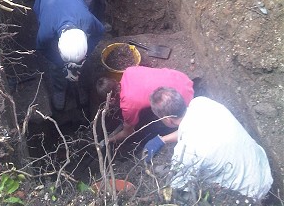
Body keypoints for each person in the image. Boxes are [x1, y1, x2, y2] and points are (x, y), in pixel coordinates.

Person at [144, 88, 273, 200]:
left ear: (167, 120)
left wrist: (165, 190)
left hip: (248, 194)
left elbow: (178, 185)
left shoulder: (187, 151)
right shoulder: (202, 103)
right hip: (261, 169)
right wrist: (162, 140)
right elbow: (190, 128)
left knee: (184, 195)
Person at [33, 0, 105, 110]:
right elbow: (42, 49)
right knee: (55, 66)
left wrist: (86, 54)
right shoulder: (46, 32)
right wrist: (61, 63)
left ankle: (80, 84)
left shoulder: (87, 20)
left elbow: (100, 32)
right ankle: (59, 89)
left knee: (83, 63)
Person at [96, 66, 194, 143]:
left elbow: (128, 132)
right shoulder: (129, 71)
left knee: (159, 125)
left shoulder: (127, 105)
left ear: (111, 99)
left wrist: (109, 140)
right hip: (182, 79)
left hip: (183, 99)